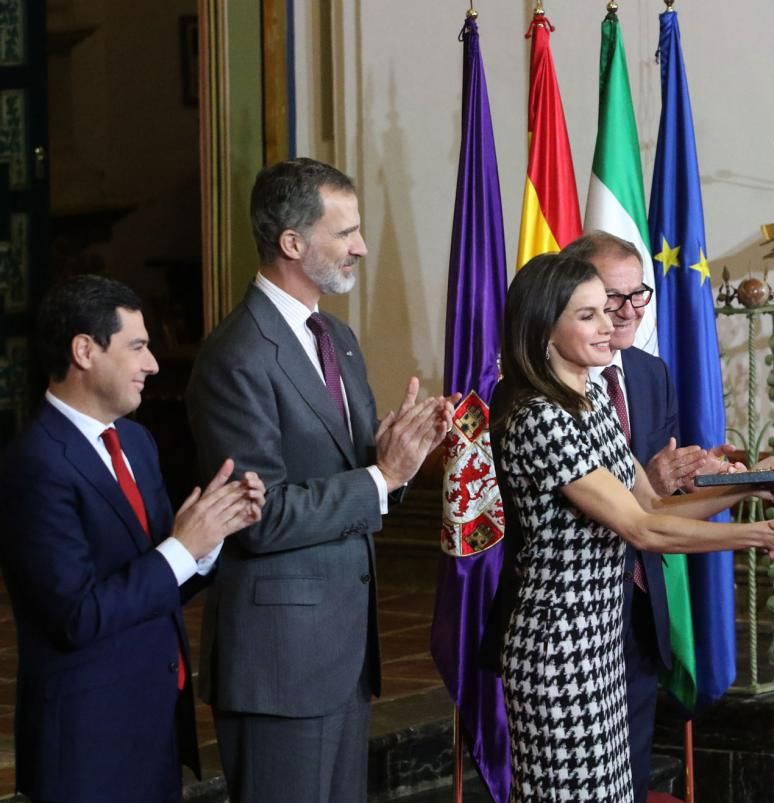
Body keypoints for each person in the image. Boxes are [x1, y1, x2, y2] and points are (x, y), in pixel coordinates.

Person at [494, 252, 774, 801]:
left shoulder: (590, 401)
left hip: (602, 642)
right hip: (559, 649)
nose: (611, 325)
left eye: (608, 310)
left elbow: (653, 507)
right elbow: (642, 531)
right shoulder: (538, 417)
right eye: (589, 316)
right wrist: (762, 535)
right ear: (543, 329)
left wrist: (752, 487)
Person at [185, 158, 453, 803]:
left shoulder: (337, 336)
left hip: (341, 652)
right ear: (293, 244)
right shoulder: (237, 356)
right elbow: (259, 515)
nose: (361, 247)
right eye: (347, 233)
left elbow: (362, 477)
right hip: (280, 663)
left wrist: (402, 460)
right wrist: (380, 475)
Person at [0, 275, 263, 803]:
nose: (153, 365)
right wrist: (181, 549)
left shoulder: (137, 443)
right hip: (86, 746)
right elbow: (76, 616)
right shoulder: (36, 464)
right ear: (84, 351)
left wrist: (209, 537)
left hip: (153, 724)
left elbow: (161, 580)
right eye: (138, 347)